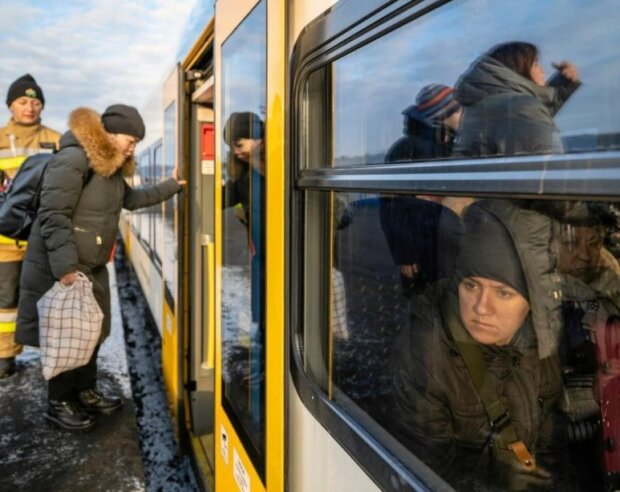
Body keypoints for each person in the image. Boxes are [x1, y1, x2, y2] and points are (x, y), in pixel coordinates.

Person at [15, 104, 185, 431]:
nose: (132, 147)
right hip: (62, 268)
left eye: (137, 142)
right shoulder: (75, 159)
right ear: (108, 133)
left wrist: (172, 185)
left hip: (91, 267)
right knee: (67, 334)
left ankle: (85, 391)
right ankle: (59, 402)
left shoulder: (112, 169)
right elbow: (53, 216)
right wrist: (65, 269)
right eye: (130, 139)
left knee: (91, 332)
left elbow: (132, 200)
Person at [390, 200, 570, 490]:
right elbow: (421, 473)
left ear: (532, 301)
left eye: (503, 292)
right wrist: (499, 477)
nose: (482, 307)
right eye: (471, 285)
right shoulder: (426, 354)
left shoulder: (545, 340)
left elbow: (555, 440)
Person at [0, 74, 61, 378]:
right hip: (5, 241)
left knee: (50, 298)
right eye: (23, 101)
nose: (30, 107)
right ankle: (4, 357)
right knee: (6, 303)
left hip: (43, 237)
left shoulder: (57, 139)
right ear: (10, 105)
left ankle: (52, 356)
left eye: (36, 102)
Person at [381, 84, 464, 297]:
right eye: (459, 110)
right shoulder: (406, 149)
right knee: (423, 303)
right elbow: (392, 208)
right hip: (421, 249)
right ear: (443, 114)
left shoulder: (451, 146)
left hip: (445, 242)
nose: (464, 114)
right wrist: (405, 255)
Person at [454, 41, 581, 157]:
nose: (542, 70)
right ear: (517, 70)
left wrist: (563, 84)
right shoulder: (519, 108)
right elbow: (547, 170)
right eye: (536, 64)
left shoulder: (487, 106)